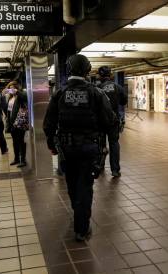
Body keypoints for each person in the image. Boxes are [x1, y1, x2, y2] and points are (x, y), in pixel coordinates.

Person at [43, 54, 115, 241]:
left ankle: (78, 212)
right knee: (85, 185)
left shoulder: (59, 93)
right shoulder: (96, 93)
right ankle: (81, 228)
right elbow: (109, 121)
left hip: (66, 148)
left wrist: (52, 144)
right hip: (90, 147)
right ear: (87, 70)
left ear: (69, 70)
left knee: (72, 183)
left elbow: (49, 122)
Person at [97, 66, 128, 177]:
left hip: (100, 122)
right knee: (114, 144)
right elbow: (124, 102)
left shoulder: (97, 87)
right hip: (113, 121)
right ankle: (115, 170)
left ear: (100, 76)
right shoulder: (118, 87)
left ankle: (100, 166)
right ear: (110, 75)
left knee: (101, 144)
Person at [4, 81, 28, 167]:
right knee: (15, 142)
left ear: (17, 88)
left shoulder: (20, 95)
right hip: (11, 123)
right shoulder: (10, 98)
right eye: (10, 88)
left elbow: (26, 97)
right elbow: (8, 109)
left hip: (19, 122)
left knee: (21, 141)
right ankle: (16, 159)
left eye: (13, 88)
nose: (11, 89)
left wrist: (17, 92)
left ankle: (23, 160)